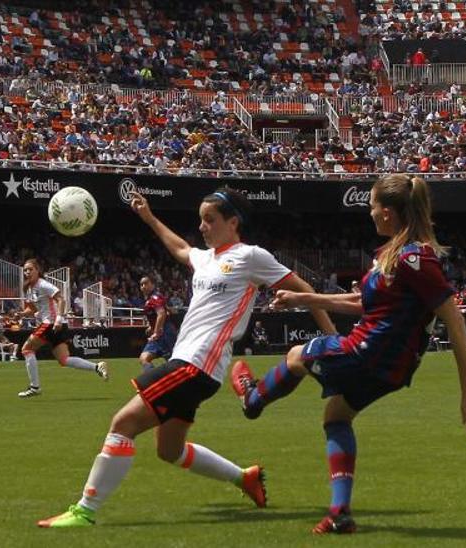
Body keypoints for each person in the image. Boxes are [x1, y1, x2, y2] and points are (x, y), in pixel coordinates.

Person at [37, 189, 334, 528]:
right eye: (201, 219)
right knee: (169, 450)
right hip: (191, 364)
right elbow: (179, 248)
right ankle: (245, 478)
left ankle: (84, 511)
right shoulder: (206, 258)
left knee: (123, 424)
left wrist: (332, 339)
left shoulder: (250, 256)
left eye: (210, 219)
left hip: (197, 364)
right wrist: (149, 218)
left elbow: (305, 289)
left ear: (233, 222)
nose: (202, 226)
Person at [229, 175, 466, 534]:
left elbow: (455, 321)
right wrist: (306, 298)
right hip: (391, 368)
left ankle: (252, 398)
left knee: (295, 356)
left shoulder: (414, 259)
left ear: (387, 213)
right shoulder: (394, 256)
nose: (368, 213)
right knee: (336, 417)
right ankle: (340, 513)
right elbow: (362, 303)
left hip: (369, 353)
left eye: (371, 206)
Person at [15, 258, 109, 398]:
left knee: (27, 349)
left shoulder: (43, 284)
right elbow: (33, 308)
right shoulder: (30, 289)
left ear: (37, 270)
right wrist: (21, 314)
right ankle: (97, 367)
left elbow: (61, 299)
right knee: (64, 360)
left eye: (30, 269)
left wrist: (58, 318)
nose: (27, 272)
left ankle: (35, 387)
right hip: (55, 324)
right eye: (25, 270)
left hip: (51, 323)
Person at [137, 276, 176, 372]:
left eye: (146, 283)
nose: (143, 286)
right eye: (141, 285)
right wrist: (152, 326)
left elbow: (161, 314)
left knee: (172, 362)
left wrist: (156, 332)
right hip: (159, 333)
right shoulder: (150, 299)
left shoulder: (155, 297)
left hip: (165, 333)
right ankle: (155, 381)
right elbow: (165, 312)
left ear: (152, 284)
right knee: (144, 358)